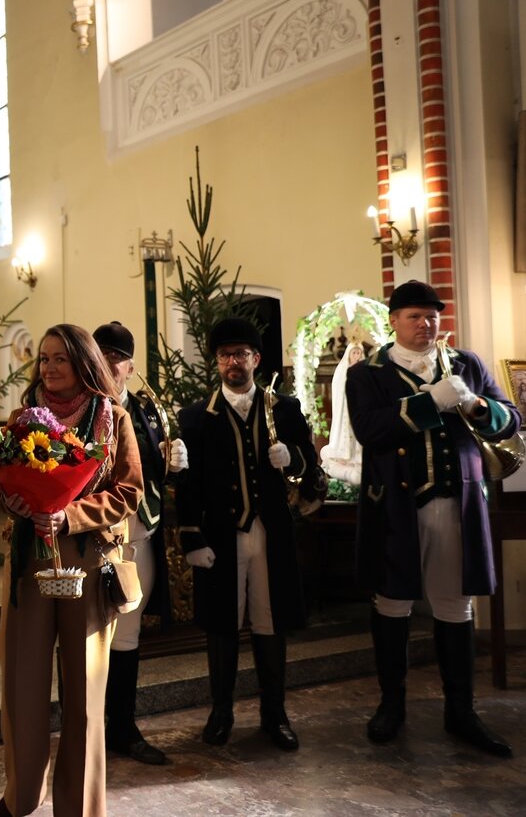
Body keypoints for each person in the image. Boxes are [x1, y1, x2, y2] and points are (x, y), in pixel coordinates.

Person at [345, 280, 520, 756]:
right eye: (415, 316)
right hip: (396, 508)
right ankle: (391, 706)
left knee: (455, 605)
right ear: (394, 322)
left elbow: (511, 419)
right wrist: (430, 403)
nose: (426, 324)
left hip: (456, 503)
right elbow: (369, 429)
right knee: (392, 603)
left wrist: (475, 404)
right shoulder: (368, 373)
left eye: (432, 316)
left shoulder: (466, 364)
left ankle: (461, 712)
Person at [0, 324, 143, 817]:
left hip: (90, 563)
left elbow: (129, 492)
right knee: (22, 686)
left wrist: (70, 514)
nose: (50, 368)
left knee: (84, 695)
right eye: (44, 359)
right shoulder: (22, 420)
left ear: (83, 363)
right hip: (29, 564)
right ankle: (21, 797)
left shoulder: (113, 418)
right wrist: (11, 500)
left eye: (61, 359)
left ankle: (79, 808)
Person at [177, 317, 321, 751]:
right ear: (217, 362)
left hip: (272, 533)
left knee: (269, 620)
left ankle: (275, 714)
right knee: (222, 624)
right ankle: (221, 712)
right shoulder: (196, 418)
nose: (233, 362)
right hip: (222, 536)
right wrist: (192, 537)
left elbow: (309, 466)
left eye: (241, 354)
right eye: (225, 355)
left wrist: (293, 457)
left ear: (256, 359)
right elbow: (188, 483)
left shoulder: (285, 408)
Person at [92, 321, 188, 766]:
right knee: (85, 638)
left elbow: (160, 474)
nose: (110, 365)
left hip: (139, 535)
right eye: (102, 357)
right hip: (93, 539)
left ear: (130, 367)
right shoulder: (81, 408)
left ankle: (123, 729)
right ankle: (86, 729)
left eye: (118, 359)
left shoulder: (148, 412)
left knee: (128, 636)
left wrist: (175, 464)